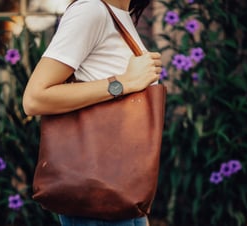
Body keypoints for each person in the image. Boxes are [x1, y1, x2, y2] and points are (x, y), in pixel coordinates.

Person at [22, 0, 162, 225]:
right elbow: (34, 98)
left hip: (123, 192)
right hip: (96, 194)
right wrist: (123, 83)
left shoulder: (120, 16)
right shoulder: (91, 11)